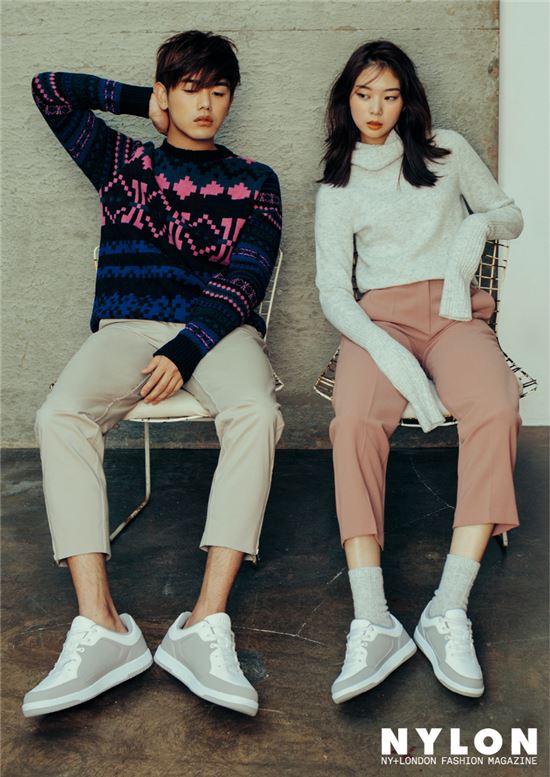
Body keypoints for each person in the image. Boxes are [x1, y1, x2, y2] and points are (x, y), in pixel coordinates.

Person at [24, 30, 283, 719]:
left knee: (257, 411)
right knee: (59, 416)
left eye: (218, 91)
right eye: (190, 89)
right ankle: (102, 626)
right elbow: (48, 89)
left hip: (215, 332)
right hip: (127, 328)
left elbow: (247, 277)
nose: (206, 104)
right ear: (168, 93)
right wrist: (144, 102)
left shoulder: (256, 180)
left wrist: (187, 349)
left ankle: (205, 624)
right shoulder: (120, 161)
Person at [314, 40, 523, 703]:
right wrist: (386, 349)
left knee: (496, 407)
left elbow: (510, 217)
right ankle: (373, 620)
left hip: (455, 314)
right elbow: (333, 294)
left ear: (407, 100)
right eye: (363, 94)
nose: (376, 108)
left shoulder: (447, 151)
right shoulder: (338, 185)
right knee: (353, 421)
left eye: (389, 95)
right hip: (378, 323)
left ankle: (447, 607)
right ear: (347, 101)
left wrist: (473, 231)